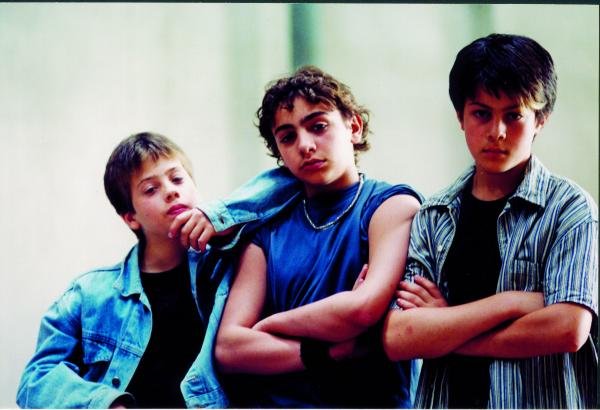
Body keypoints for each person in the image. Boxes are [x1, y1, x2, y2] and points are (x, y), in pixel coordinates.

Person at [382, 33, 597, 409]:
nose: (497, 132)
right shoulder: (433, 215)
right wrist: (510, 303)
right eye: (482, 113)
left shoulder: (569, 209)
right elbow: (400, 336)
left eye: (514, 115)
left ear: (540, 120)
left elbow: (568, 328)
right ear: (460, 117)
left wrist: (446, 328)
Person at [16, 132, 300, 408]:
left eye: (177, 179)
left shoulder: (228, 266)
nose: (171, 191)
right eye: (151, 189)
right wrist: (106, 404)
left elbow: (294, 180)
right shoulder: (89, 293)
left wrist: (219, 215)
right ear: (131, 218)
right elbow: (35, 381)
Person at [215, 66, 423, 408]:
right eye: (288, 137)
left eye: (318, 126)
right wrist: (328, 350)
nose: (305, 145)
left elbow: (361, 310)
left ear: (353, 127)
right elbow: (228, 348)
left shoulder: (391, 205)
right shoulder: (266, 230)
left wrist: (269, 326)